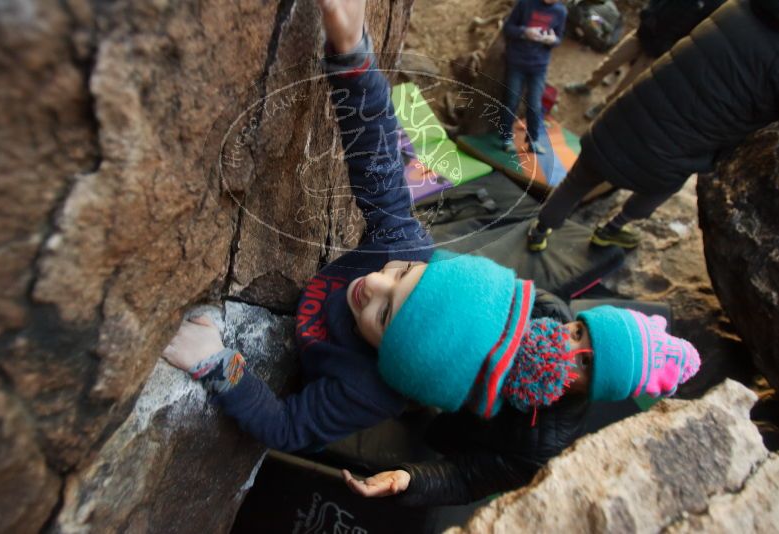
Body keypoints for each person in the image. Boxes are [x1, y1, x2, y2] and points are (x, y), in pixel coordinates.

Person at [163, 0, 698, 466]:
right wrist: (353, 54)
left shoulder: (368, 390)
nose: (374, 285)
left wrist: (217, 364)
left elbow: (289, 429)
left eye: (386, 313)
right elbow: (375, 155)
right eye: (400, 277)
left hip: (336, 365)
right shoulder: (404, 249)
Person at [342, 304, 701, 504]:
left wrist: (410, 477)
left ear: (593, 390)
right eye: (577, 332)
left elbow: (466, 478)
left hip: (436, 421)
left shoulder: (542, 448)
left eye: (585, 362)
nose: (565, 347)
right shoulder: (541, 309)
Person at [528, 0, 779, 252]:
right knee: (663, 184)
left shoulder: (739, 6)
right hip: (678, 144)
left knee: (578, 179)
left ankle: (539, 232)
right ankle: (611, 230)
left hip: (632, 109)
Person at [565, 0, 726, 120]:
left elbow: (698, 31)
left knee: (629, 83)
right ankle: (588, 85)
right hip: (644, 32)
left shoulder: (716, 5)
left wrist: (669, 45)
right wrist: (647, 15)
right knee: (612, 61)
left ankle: (603, 106)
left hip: (659, 48)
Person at [499, 0, 567, 154]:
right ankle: (505, 138)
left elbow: (559, 38)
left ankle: (533, 141)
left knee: (535, 103)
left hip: (539, 65)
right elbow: (508, 27)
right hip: (517, 61)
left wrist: (552, 40)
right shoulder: (525, 3)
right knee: (511, 100)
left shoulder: (560, 11)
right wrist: (524, 31)